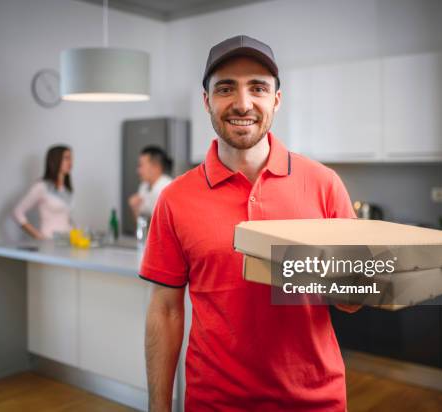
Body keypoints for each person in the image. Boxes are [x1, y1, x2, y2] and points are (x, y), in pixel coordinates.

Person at [140, 35, 362, 411]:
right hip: (214, 402)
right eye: (226, 88)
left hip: (315, 402)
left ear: (276, 99)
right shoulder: (175, 199)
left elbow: (351, 302)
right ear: (206, 100)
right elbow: (165, 309)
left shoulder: (324, 185)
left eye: (257, 87)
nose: (243, 103)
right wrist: (159, 407)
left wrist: (354, 279)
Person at [13, 145, 73, 240]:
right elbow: (17, 212)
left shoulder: (66, 189)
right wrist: (39, 236)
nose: (70, 162)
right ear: (55, 160)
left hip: (67, 241)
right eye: (66, 158)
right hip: (49, 241)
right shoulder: (41, 186)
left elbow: (65, 217)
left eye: (71, 158)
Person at [128, 146, 173, 219]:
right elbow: (141, 223)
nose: (138, 171)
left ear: (156, 167)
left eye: (141, 165)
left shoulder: (169, 188)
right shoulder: (143, 186)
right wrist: (135, 208)